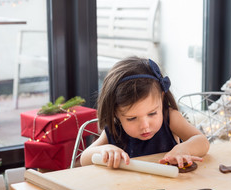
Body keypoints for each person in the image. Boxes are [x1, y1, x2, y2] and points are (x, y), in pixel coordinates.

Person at [80, 56, 210, 168]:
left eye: (152, 113)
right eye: (132, 118)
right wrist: (105, 150)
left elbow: (202, 141)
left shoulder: (170, 117)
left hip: (169, 188)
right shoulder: (115, 129)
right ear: (115, 113)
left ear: (162, 97)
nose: (145, 126)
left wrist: (184, 148)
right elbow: (84, 159)